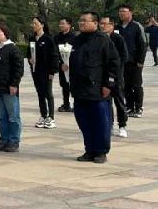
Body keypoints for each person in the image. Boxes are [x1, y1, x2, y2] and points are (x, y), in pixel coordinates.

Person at [70, 11, 121, 164]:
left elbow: (114, 64)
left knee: (100, 122)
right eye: (80, 20)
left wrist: (108, 85)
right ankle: (89, 149)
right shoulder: (76, 40)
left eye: (85, 21)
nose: (81, 23)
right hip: (79, 89)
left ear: (95, 23)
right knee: (84, 121)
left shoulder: (103, 40)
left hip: (97, 89)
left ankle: (101, 151)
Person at [0, 23, 23, 152]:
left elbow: (18, 68)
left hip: (9, 88)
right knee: (1, 116)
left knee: (13, 116)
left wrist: (14, 83)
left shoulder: (12, 49)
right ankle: (4, 139)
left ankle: (14, 141)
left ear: (5, 33)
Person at [99, 16, 129, 138]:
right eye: (101, 23)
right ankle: (109, 125)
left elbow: (124, 56)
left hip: (116, 76)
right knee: (106, 102)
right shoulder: (98, 38)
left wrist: (115, 70)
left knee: (119, 101)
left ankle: (122, 125)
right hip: (102, 76)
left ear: (112, 25)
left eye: (105, 24)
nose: (102, 26)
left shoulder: (118, 38)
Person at [117, 4, 147, 118]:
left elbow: (143, 44)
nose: (121, 14)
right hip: (122, 62)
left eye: (124, 11)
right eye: (120, 11)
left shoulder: (136, 26)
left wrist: (140, 60)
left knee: (136, 85)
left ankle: (138, 107)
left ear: (131, 12)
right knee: (126, 85)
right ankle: (129, 107)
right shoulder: (117, 27)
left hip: (135, 62)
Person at [29, 17, 59, 129]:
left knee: (48, 93)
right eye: (33, 23)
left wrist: (52, 71)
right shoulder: (32, 39)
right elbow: (28, 53)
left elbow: (54, 56)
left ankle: (51, 117)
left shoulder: (48, 39)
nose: (33, 25)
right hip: (35, 71)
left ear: (42, 25)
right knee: (40, 93)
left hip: (46, 71)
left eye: (35, 23)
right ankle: (43, 115)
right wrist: (30, 59)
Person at [54, 18, 75, 113]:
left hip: (73, 65)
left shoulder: (74, 37)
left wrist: (70, 63)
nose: (61, 25)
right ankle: (66, 104)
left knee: (74, 85)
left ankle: (76, 104)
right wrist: (61, 62)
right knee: (64, 85)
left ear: (69, 25)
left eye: (63, 23)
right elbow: (55, 51)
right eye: (60, 23)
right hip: (62, 65)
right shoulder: (57, 37)